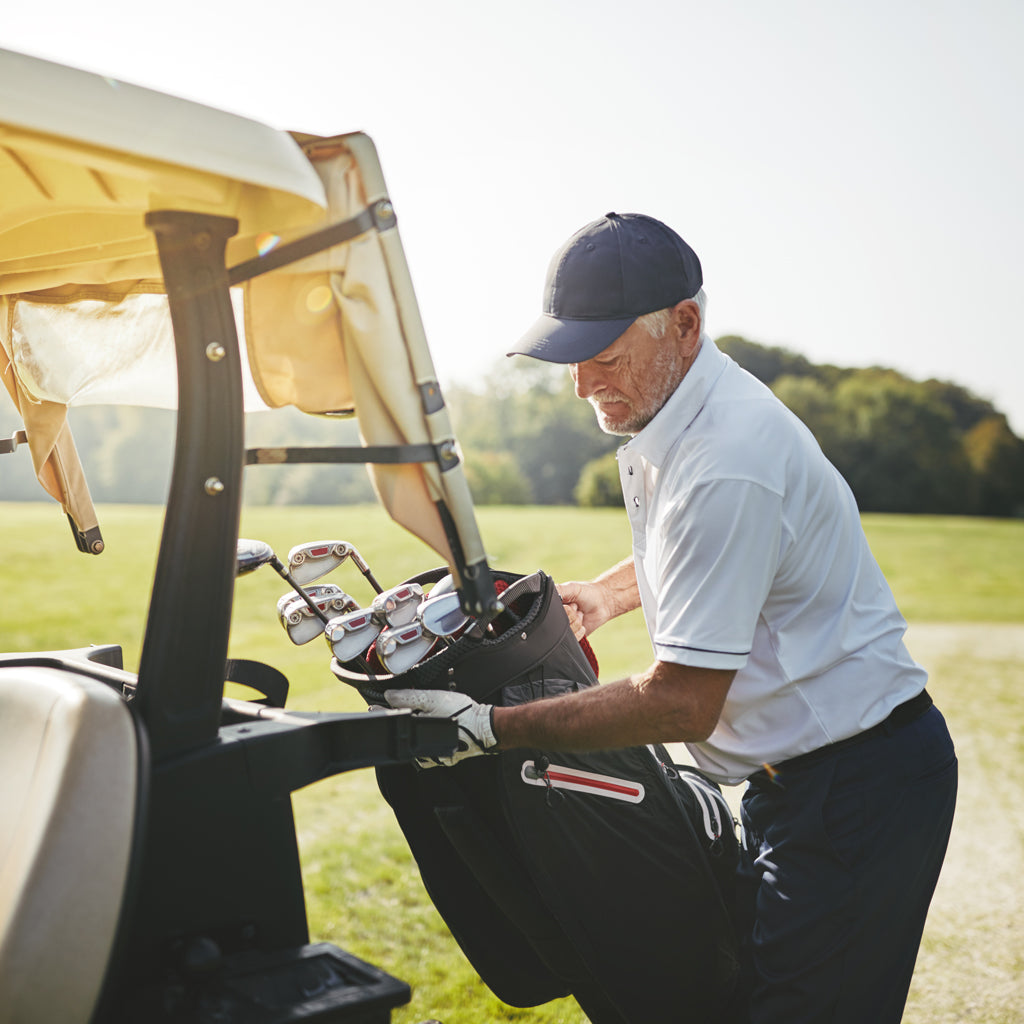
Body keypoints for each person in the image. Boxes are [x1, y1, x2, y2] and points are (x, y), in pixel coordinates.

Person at [386, 212, 958, 1023]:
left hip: (857, 786)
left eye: (603, 357)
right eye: (570, 362)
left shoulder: (728, 458)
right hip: (796, 780)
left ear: (684, 325)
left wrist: (490, 727)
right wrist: (609, 593)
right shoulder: (678, 415)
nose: (582, 385)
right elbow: (701, 554)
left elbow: (682, 700)